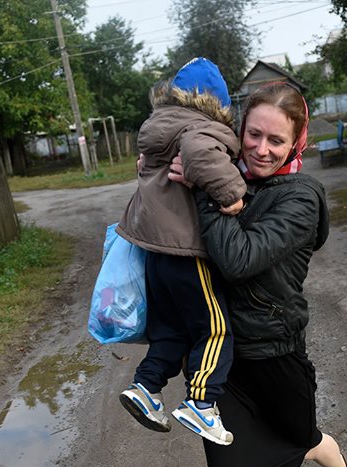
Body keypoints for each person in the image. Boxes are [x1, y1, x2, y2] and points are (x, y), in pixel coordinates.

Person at [167, 81, 347, 467]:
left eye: (277, 140)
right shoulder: (224, 175)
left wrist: (206, 191)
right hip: (218, 357)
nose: (262, 149)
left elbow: (239, 258)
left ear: (297, 143)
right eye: (254, 135)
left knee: (300, 437)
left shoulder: (301, 197)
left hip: (275, 353)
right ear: (239, 129)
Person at [116, 57, 246, 446]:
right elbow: (200, 153)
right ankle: (201, 403)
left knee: (172, 330)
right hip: (187, 252)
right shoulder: (198, 129)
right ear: (216, 103)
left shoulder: (159, 130)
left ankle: (146, 388)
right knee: (216, 328)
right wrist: (233, 196)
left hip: (156, 255)